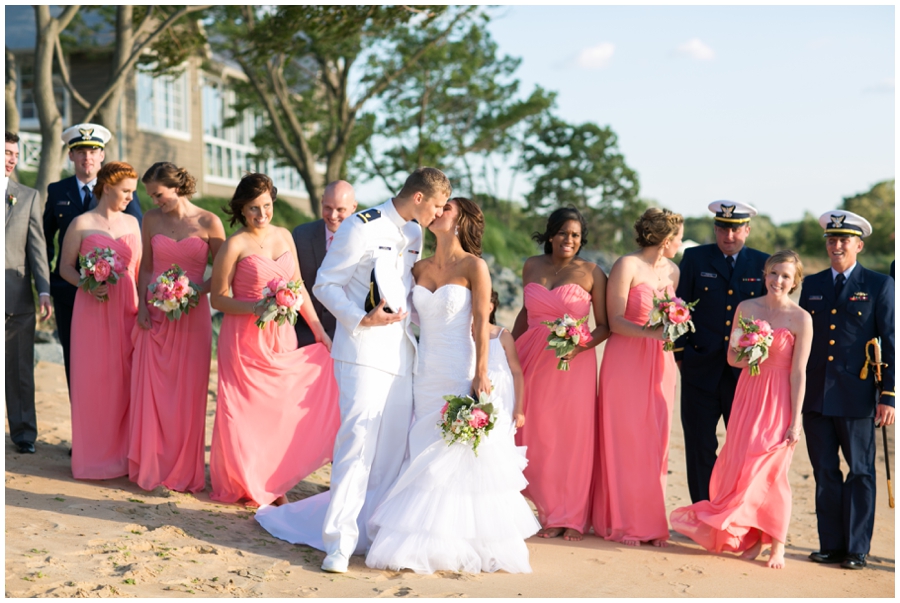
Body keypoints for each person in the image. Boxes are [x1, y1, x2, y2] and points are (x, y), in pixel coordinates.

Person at [255, 167, 449, 574]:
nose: (439, 212)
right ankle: (339, 544)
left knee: (391, 452)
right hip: (361, 351)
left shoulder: (414, 234)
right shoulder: (361, 227)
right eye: (435, 205)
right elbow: (325, 284)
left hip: (402, 356)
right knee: (357, 445)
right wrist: (361, 318)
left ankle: (372, 535)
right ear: (418, 198)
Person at [365, 198, 539, 574]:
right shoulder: (418, 267)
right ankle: (419, 535)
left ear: (459, 221)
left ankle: (458, 541)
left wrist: (480, 374)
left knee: (457, 453)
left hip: (460, 366)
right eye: (438, 206)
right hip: (424, 370)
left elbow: (481, 322)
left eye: (447, 208)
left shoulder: (475, 266)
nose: (438, 211)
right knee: (423, 446)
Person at [670, 250, 813, 569]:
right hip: (748, 393)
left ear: (795, 281)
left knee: (773, 473)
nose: (778, 280)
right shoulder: (747, 308)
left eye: (786, 276)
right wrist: (754, 349)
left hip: (779, 401)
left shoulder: (801, 318)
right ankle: (753, 539)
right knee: (744, 467)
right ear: (765, 274)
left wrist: (795, 421)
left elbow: (799, 372)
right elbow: (733, 357)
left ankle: (778, 545)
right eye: (774, 273)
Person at [208, 173, 339, 507]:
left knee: (280, 410)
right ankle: (251, 483)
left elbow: (298, 288)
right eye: (254, 208)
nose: (262, 214)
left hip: (282, 336)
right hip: (243, 340)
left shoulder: (283, 236)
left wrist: (320, 332)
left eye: (266, 205)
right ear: (241, 209)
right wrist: (255, 307)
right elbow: (218, 299)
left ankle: (274, 479)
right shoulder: (233, 245)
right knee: (245, 412)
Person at [800, 210, 894, 570]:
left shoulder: (879, 284)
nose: (836, 245)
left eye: (844, 240)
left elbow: (890, 341)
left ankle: (857, 548)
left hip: (858, 396)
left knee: (859, 471)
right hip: (817, 395)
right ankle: (832, 544)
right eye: (831, 239)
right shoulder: (813, 284)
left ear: (859, 244)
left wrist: (889, 395)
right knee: (825, 471)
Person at [512, 207, 609, 542]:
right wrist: (507, 350)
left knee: (571, 438)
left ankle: (571, 516)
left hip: (573, 363)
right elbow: (526, 314)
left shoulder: (592, 272)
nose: (569, 240)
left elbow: (605, 326)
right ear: (551, 234)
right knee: (535, 435)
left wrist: (579, 347)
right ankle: (545, 509)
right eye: (564, 233)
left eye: (576, 235)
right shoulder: (531, 265)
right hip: (532, 358)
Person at [128, 163, 226, 493]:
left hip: (194, 318)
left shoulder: (209, 222)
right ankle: (153, 467)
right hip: (156, 314)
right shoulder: (151, 219)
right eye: (150, 195)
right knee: (155, 393)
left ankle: (184, 471)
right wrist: (142, 305)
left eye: (158, 194)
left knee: (188, 395)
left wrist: (198, 290)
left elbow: (225, 272)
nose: (154, 200)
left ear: (177, 187)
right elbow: (146, 269)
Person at [591, 208, 683, 547]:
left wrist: (672, 331)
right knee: (627, 438)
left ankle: (651, 520)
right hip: (626, 360)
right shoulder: (626, 266)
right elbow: (614, 321)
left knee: (655, 441)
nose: (681, 242)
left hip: (662, 363)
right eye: (679, 236)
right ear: (665, 239)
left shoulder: (673, 270)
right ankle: (626, 522)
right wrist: (652, 333)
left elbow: (672, 316)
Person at [674, 201, 769, 503]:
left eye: (736, 229)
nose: (729, 235)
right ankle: (702, 509)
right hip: (699, 367)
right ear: (715, 229)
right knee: (699, 444)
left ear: (747, 230)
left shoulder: (763, 264)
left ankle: (732, 508)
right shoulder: (694, 258)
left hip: (742, 373)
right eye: (723, 228)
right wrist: (681, 355)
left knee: (741, 446)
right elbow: (680, 307)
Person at [57, 162, 142, 479]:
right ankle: (91, 457)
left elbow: (139, 271)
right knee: (93, 382)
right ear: (107, 187)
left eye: (132, 191)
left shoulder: (134, 223)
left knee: (124, 382)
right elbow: (65, 267)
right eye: (126, 191)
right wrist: (87, 283)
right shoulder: (80, 223)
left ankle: (122, 456)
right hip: (92, 310)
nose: (130, 197)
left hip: (127, 311)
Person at [43, 123, 143, 388]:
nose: (87, 157)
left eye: (93, 151)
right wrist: (47, 285)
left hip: (116, 296)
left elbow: (137, 241)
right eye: (81, 151)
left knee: (117, 363)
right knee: (77, 365)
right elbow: (44, 241)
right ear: (71, 155)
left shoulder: (123, 192)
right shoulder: (57, 191)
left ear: (102, 155)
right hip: (69, 292)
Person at [5, 131, 53, 454]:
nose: (11, 159)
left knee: (20, 368)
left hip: (16, 297)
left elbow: (38, 249)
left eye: (15, 154)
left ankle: (24, 433)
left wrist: (45, 291)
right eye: (6, 152)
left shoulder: (28, 196)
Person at [292, 180, 357, 347]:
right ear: (321, 202)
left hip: (350, 338)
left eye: (340, 210)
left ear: (353, 207)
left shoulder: (367, 240)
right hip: (306, 338)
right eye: (327, 207)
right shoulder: (301, 236)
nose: (333, 215)